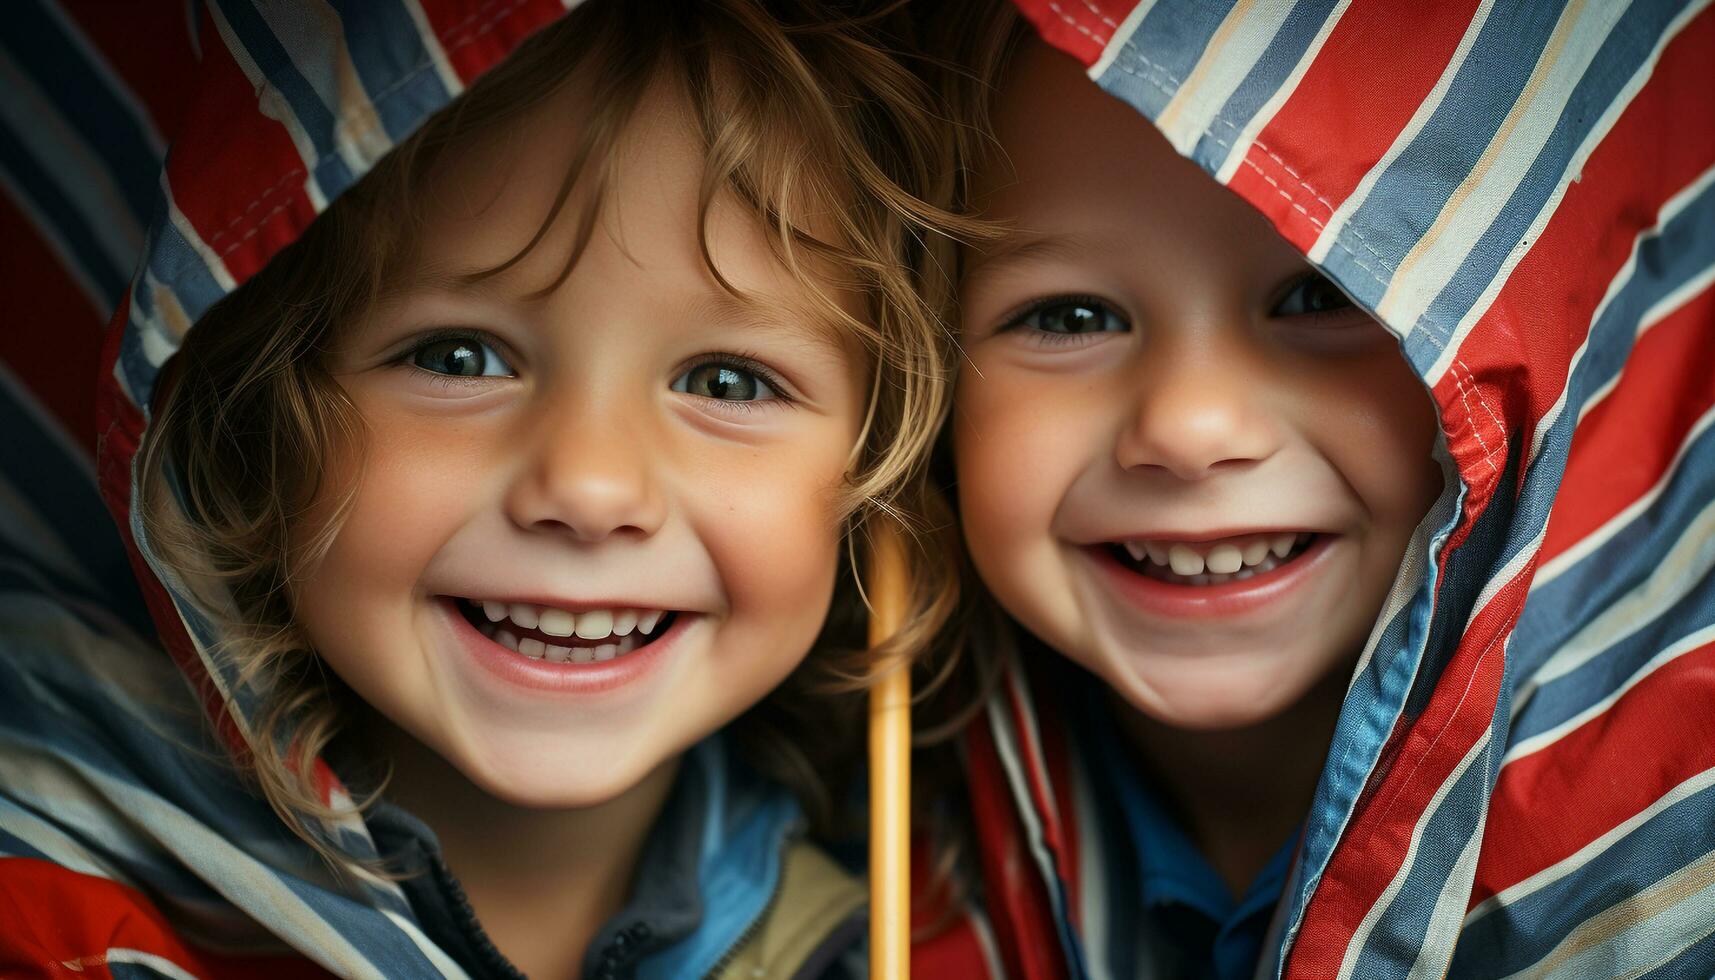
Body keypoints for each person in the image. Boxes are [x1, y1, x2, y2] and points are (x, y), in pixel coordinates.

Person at [0, 2, 971, 977]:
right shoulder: (53, 893)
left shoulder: (909, 933)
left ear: (876, 472)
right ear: (258, 418)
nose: (589, 486)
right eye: (459, 358)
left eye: (726, 382)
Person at [911, 2, 1715, 978]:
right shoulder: (856, 848)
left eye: (1321, 298)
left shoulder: (1672, 842)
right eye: (1069, 315)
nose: (1192, 428)